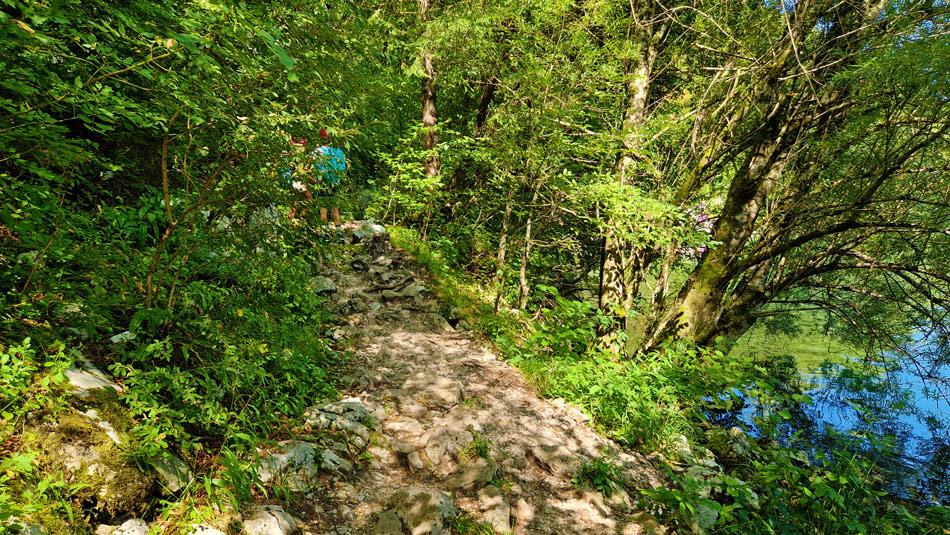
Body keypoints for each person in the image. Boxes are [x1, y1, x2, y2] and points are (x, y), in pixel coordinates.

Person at [311, 128, 346, 225]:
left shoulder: (317, 151)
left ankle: (324, 230)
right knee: (334, 206)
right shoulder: (338, 152)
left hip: (322, 181)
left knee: (323, 206)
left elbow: (314, 168)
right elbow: (343, 168)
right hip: (335, 182)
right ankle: (338, 230)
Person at [280, 136, 312, 220]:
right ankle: (302, 214)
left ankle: (294, 215)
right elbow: (298, 167)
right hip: (296, 178)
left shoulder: (290, 152)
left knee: (297, 197)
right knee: (307, 196)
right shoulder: (296, 153)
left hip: (295, 178)